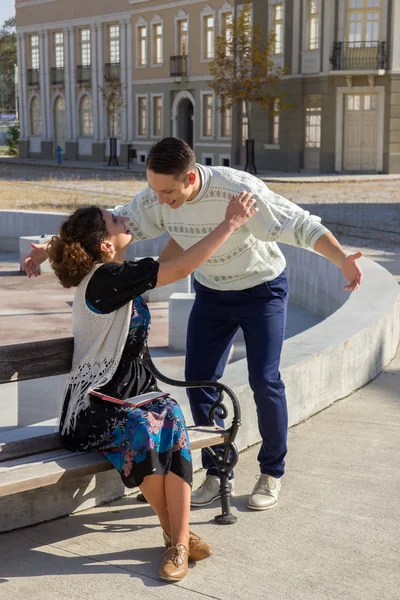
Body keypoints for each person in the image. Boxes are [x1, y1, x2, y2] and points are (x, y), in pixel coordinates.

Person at [24, 137, 363, 513]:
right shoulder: (158, 195)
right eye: (154, 190)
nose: (160, 200)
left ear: (189, 176)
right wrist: (50, 247)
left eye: (168, 191)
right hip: (213, 293)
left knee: (264, 380)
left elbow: (300, 224)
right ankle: (217, 471)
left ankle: (271, 471)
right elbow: (104, 229)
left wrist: (343, 259)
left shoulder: (238, 192)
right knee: (199, 378)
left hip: (261, 289)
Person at [41, 194, 258, 583]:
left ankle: (176, 541)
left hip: (132, 396)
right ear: (105, 244)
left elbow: (174, 253)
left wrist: (184, 211)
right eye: (113, 221)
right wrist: (231, 224)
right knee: (144, 425)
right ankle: (179, 540)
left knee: (170, 415)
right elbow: (182, 267)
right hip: (93, 406)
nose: (124, 220)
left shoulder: (119, 273)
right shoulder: (106, 279)